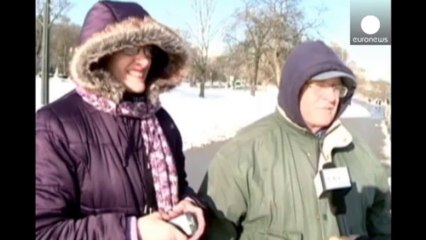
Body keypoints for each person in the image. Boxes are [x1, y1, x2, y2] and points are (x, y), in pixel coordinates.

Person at [35, 1, 206, 239]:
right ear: (103, 53)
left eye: (148, 50)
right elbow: (43, 231)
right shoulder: (54, 126)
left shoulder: (161, 121)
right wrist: (133, 232)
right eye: (131, 49)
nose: (145, 61)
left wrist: (189, 203)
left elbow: (179, 185)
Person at [198, 40, 391, 240]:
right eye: (321, 86)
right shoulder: (243, 153)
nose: (332, 97)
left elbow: (384, 230)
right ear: (295, 86)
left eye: (336, 87)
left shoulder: (361, 154)